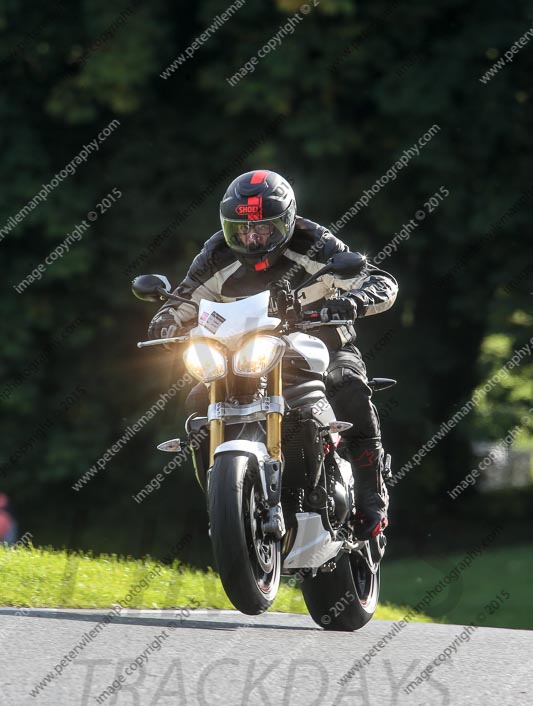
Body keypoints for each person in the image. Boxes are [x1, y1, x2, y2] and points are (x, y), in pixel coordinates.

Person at [148, 170, 398, 542]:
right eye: (241, 230)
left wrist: (353, 301)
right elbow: (183, 300)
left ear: (286, 222)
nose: (251, 238)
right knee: (199, 399)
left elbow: (380, 281)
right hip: (245, 356)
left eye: (262, 229)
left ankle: (371, 491)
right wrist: (164, 322)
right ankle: (227, 502)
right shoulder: (216, 254)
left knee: (348, 385)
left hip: (322, 347)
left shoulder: (314, 242)